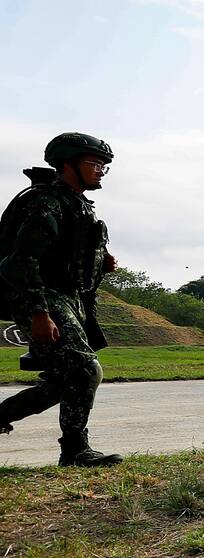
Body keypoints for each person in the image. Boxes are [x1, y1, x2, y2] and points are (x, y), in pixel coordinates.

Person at [0, 132, 122, 466]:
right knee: (84, 370)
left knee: (62, 382)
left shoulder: (76, 204)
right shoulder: (46, 201)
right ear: (67, 164)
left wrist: (101, 262)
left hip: (70, 299)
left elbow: (66, 255)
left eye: (103, 166)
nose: (99, 171)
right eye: (93, 164)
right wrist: (39, 313)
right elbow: (19, 262)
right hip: (43, 297)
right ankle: (75, 450)